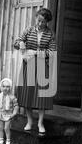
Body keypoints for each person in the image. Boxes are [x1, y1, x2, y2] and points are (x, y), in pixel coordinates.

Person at [14, 8, 57, 137]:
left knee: (42, 96)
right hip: (28, 65)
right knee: (28, 93)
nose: (39, 24)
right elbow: (16, 43)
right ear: (36, 19)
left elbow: (52, 52)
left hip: (42, 66)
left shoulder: (50, 34)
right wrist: (21, 43)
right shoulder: (28, 30)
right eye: (38, 20)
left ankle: (40, 123)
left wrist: (36, 53)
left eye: (43, 22)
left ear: (47, 22)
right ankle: (29, 121)